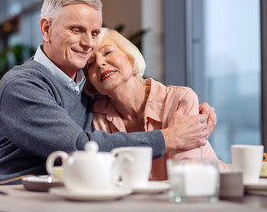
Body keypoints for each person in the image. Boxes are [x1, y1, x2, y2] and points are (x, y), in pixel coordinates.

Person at [0, 0, 216, 185]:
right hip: (4, 194)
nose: (88, 44)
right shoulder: (22, 85)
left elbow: (134, 98)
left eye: (95, 33)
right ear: (46, 29)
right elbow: (78, 147)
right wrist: (168, 137)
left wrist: (199, 115)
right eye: (77, 30)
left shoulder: (87, 89)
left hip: (56, 196)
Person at [85, 27, 228, 181]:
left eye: (107, 52)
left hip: (206, 192)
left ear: (130, 56)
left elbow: (184, 178)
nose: (99, 64)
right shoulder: (96, 114)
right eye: (90, 64)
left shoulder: (180, 99)